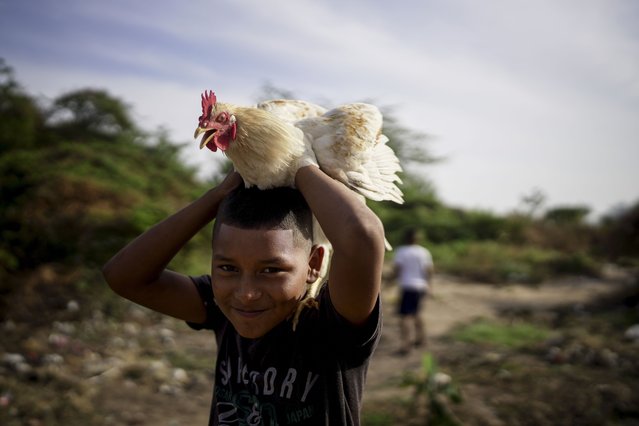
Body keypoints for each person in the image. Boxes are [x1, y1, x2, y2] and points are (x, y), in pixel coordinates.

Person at [102, 162, 386, 425]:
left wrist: (297, 161)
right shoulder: (220, 309)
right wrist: (217, 196)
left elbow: (361, 235)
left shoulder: (332, 323)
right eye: (228, 268)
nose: (246, 293)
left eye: (271, 270)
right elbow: (123, 276)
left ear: (312, 264)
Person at [393, 228, 434, 355]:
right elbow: (429, 270)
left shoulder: (402, 251)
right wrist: (430, 286)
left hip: (408, 286)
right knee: (416, 313)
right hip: (420, 287)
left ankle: (406, 344)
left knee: (405, 316)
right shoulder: (424, 252)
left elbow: (397, 270)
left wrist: (388, 282)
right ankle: (421, 339)